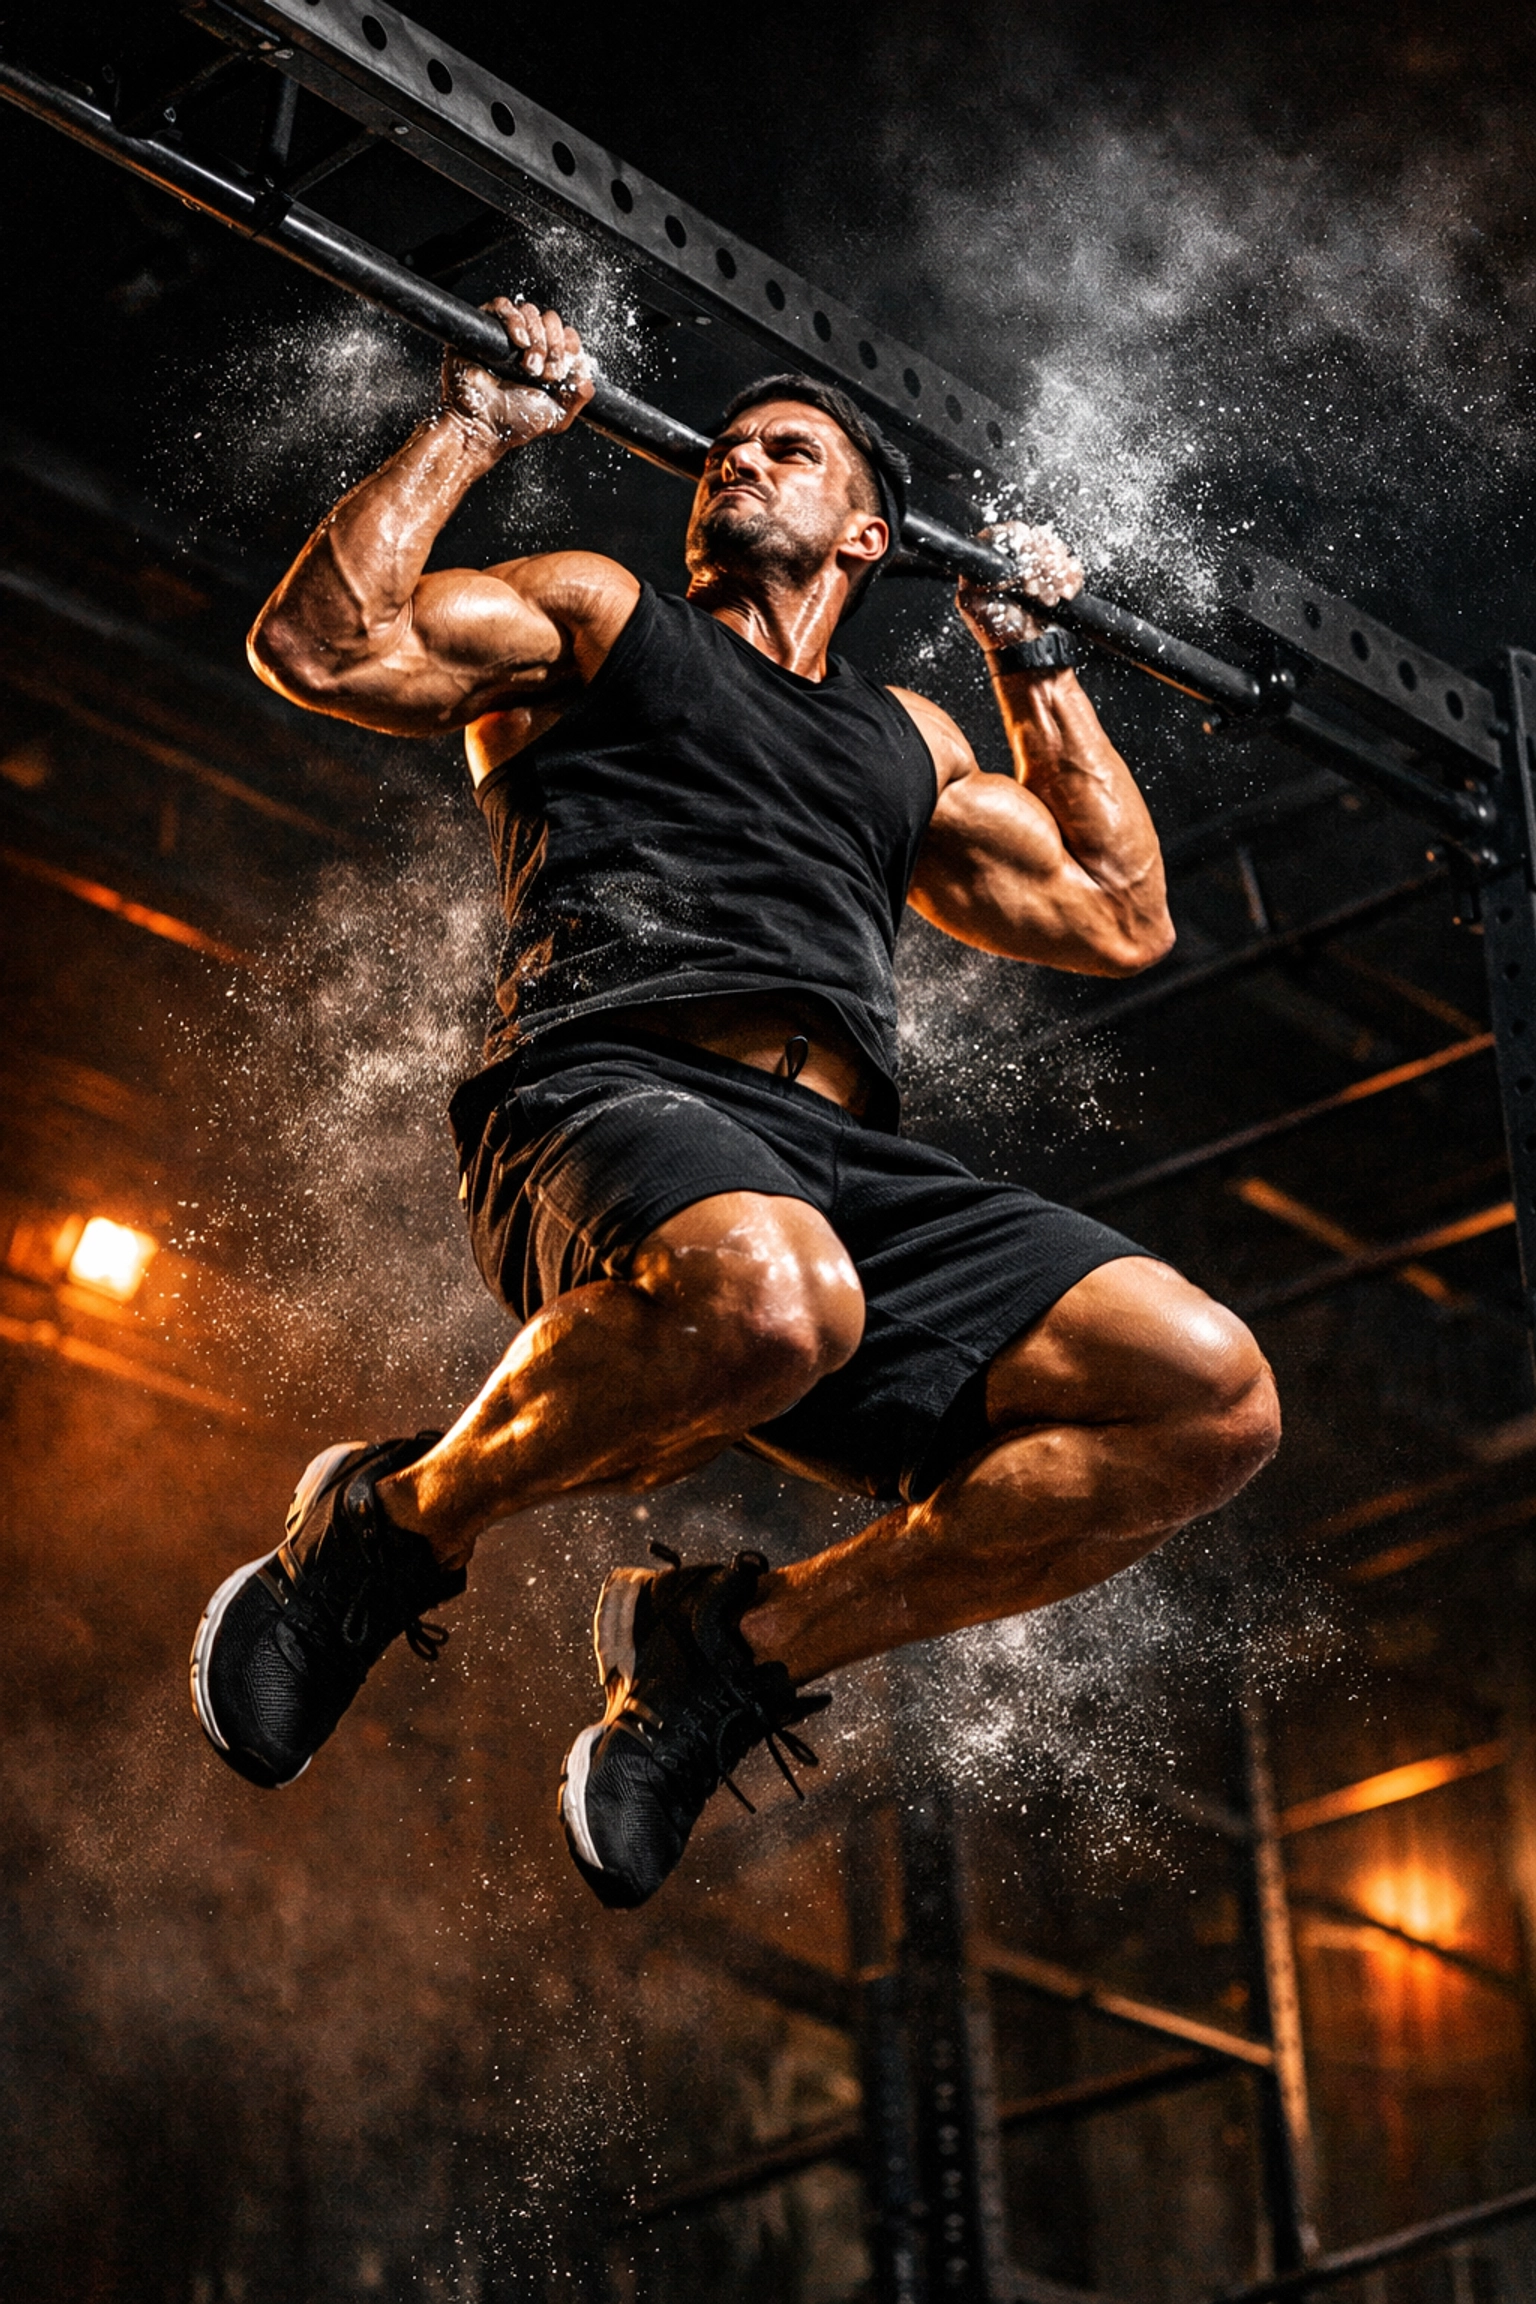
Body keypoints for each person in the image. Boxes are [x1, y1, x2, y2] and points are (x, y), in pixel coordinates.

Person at [189, 298, 1280, 1907]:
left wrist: (1032, 659)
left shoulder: (906, 735)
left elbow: (1120, 916)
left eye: (788, 451)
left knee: (1209, 1398)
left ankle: (730, 1650)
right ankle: (387, 1528)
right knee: (779, 1295)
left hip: (837, 1161)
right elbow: (324, 647)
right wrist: (478, 426)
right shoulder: (604, 613)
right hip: (606, 1086)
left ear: (867, 531)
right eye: (722, 453)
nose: (735, 465)